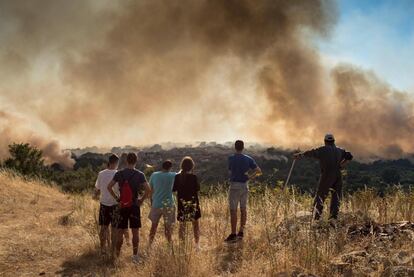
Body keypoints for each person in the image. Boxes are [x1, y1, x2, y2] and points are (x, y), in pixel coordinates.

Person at [294, 134, 353, 220]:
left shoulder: (323, 150)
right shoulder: (340, 150)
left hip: (327, 175)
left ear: (325, 141)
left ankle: (316, 217)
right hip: (338, 175)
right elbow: (350, 156)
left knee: (321, 196)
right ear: (333, 141)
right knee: (336, 197)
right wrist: (342, 165)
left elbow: (311, 153)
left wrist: (299, 155)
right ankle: (333, 218)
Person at [107, 152, 151, 263]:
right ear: (136, 161)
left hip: (122, 205)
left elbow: (109, 187)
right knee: (135, 232)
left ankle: (117, 255)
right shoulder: (140, 174)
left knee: (120, 231)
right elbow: (149, 190)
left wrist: (117, 199)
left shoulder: (119, 173)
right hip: (134, 206)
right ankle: (135, 257)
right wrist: (141, 200)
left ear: (126, 161)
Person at [225, 140, 261, 243]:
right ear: (243, 147)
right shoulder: (248, 159)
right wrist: (250, 177)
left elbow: (230, 171)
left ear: (235, 147)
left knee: (233, 211)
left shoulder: (231, 158)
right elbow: (259, 170)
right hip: (244, 186)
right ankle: (241, 232)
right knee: (243, 209)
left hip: (234, 186)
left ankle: (233, 234)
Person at [173, 156, 201, 248]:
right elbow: (197, 189)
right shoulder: (193, 177)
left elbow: (174, 189)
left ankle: (182, 245)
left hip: (182, 203)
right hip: (193, 203)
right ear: (192, 166)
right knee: (195, 224)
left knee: (182, 225)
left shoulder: (177, 177)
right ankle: (197, 245)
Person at [94, 154, 119, 254]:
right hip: (115, 204)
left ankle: (102, 249)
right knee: (114, 228)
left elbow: (97, 188)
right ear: (116, 163)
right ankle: (112, 249)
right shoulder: (118, 173)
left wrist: (95, 195)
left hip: (104, 204)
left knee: (104, 227)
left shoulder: (101, 173)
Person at [148, 160, 176, 246]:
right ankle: (169, 245)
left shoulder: (154, 175)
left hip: (156, 204)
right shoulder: (173, 175)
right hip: (168, 205)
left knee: (154, 226)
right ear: (170, 168)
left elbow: (150, 190)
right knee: (168, 228)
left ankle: (150, 244)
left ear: (162, 166)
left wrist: (151, 201)